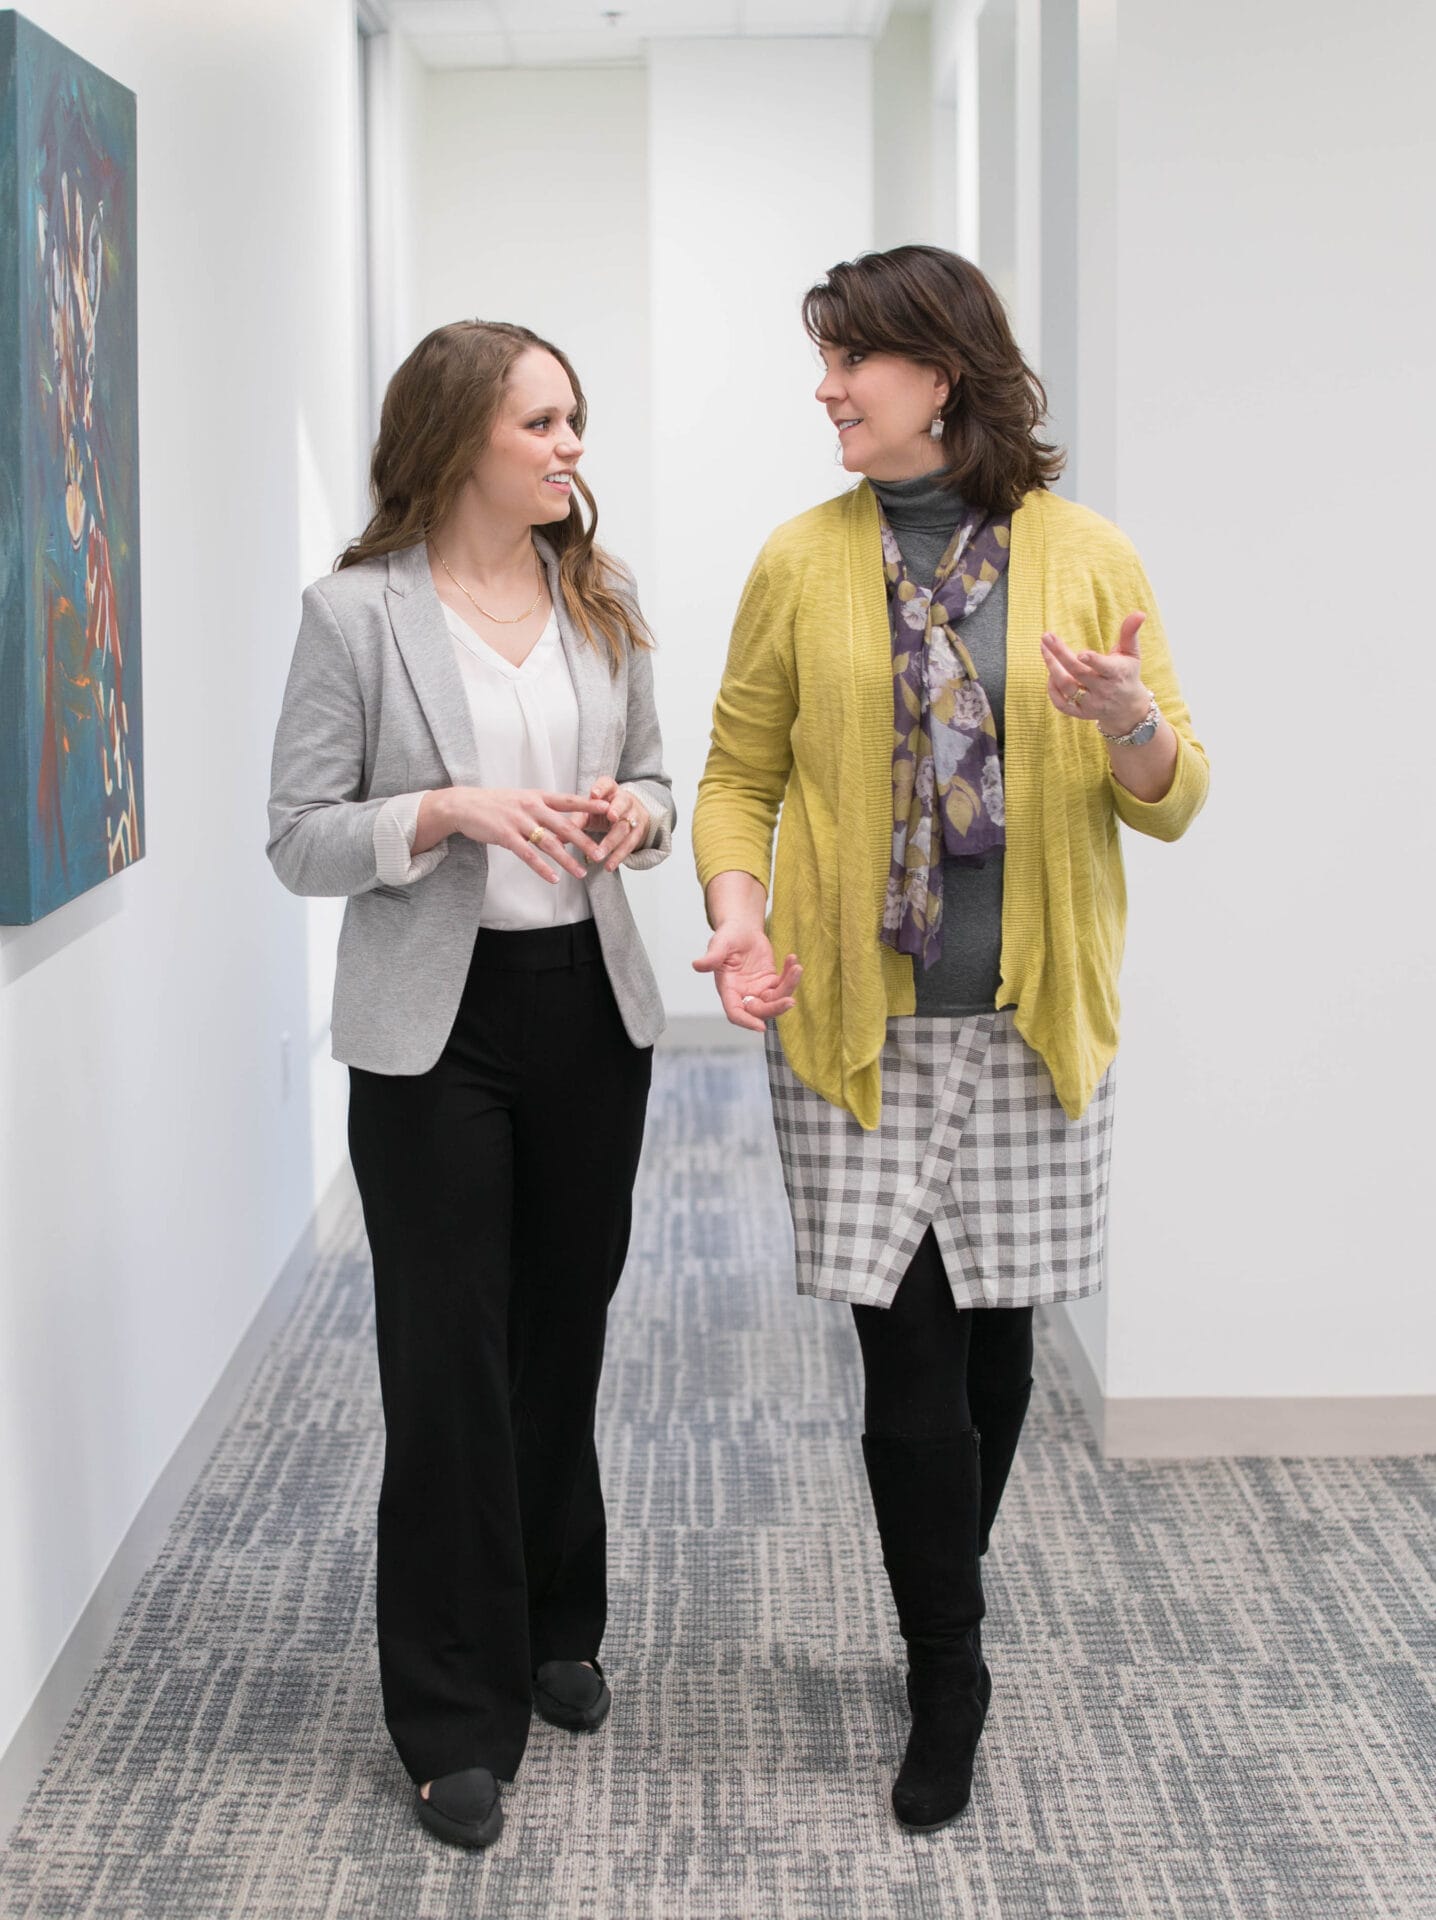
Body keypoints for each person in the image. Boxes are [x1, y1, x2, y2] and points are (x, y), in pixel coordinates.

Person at [692, 245, 1208, 1833]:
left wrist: (1128, 720)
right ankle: (948, 1669)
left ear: (943, 373)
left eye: (852, 358)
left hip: (1031, 1023)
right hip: (859, 1025)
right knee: (906, 1346)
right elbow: (739, 776)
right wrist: (739, 915)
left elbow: (1175, 795)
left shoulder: (1086, 554)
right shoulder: (801, 561)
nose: (827, 389)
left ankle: (943, 1582)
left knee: (996, 1340)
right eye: (828, 360)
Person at [267, 321, 673, 1850]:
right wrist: (440, 811)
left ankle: (557, 1621)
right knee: (446, 1362)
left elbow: (659, 781)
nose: (572, 446)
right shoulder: (354, 616)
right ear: (459, 439)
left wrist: (630, 819)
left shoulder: (599, 597)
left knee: (560, 1339)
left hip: (588, 1013)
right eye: (543, 422)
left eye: (575, 421)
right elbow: (298, 835)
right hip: (434, 1032)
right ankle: (449, 1712)